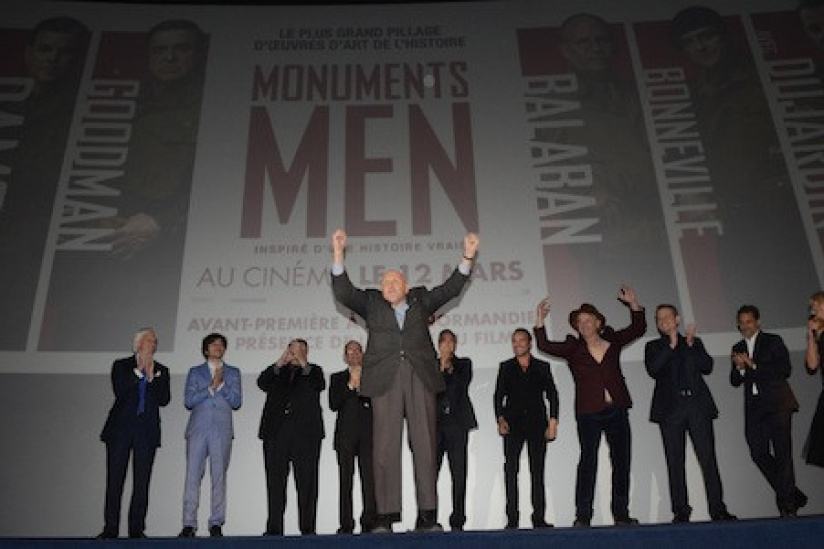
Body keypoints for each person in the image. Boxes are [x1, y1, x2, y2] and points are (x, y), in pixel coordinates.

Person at [41, 19, 208, 351]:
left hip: (158, 266)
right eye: (160, 50)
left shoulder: (214, 107)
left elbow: (220, 188)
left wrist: (163, 222)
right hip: (90, 261)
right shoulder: (114, 100)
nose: (170, 57)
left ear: (199, 54)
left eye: (181, 49)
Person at [669, 6, 817, 329]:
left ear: (723, 36)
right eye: (690, 42)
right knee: (749, 301)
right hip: (735, 213)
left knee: (800, 292)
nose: (700, 47)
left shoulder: (763, 77)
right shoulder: (691, 94)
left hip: (784, 206)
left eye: (706, 36)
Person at [330, 228, 479, 533]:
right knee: (384, 447)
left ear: (406, 287)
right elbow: (344, 293)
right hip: (384, 379)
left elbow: (450, 290)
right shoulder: (371, 302)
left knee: (425, 444)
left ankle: (427, 517)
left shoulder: (421, 299)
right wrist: (338, 254)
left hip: (419, 376)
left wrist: (467, 257)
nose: (389, 285)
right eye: (385, 282)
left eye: (395, 281)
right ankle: (384, 518)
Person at [0, 16, 89, 349]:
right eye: (45, 49)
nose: (52, 58)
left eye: (64, 53)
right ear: (28, 53)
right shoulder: (15, 103)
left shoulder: (77, 110)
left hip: (36, 236)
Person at [533, 286, 645, 527]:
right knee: (588, 462)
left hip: (617, 409)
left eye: (587, 320)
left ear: (598, 322)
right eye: (579, 322)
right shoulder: (573, 349)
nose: (583, 325)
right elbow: (544, 345)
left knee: (621, 461)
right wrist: (540, 319)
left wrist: (633, 304)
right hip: (588, 413)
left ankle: (621, 514)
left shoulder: (613, 341)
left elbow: (638, 328)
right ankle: (583, 516)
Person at [644, 305, 736, 523]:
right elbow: (654, 369)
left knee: (708, 459)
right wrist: (671, 345)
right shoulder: (654, 346)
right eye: (659, 319)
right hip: (670, 411)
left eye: (667, 317)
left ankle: (718, 509)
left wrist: (691, 344)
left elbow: (707, 366)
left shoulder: (694, 342)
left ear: (677, 319)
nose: (663, 321)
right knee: (675, 462)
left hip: (697, 408)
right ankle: (681, 511)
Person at [730, 305, 807, 517]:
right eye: (741, 322)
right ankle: (793, 495)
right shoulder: (737, 347)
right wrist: (739, 368)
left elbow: (784, 370)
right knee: (758, 453)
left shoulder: (773, 341)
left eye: (749, 321)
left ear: (758, 322)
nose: (745, 326)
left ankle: (787, 506)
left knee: (783, 454)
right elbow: (735, 381)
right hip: (754, 407)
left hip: (777, 404)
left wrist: (753, 365)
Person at [98, 328, 171, 539]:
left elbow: (164, 399)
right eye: (148, 339)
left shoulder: (162, 370)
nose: (152, 343)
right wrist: (138, 372)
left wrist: (152, 378)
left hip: (146, 432)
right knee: (115, 480)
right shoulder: (121, 365)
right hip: (120, 430)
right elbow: (120, 391)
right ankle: (110, 529)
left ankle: (136, 529)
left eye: (155, 340)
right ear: (137, 343)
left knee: (142, 482)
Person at [258, 338, 325, 535]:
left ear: (306, 353)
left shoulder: (314, 371)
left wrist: (303, 361)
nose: (296, 353)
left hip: (306, 435)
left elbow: (319, 385)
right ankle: (274, 529)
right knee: (275, 482)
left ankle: (308, 529)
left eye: (300, 349)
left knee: (307, 483)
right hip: (276, 433)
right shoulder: (277, 371)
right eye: (293, 349)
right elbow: (262, 382)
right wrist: (280, 362)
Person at [493, 328, 559, 530]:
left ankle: (539, 518)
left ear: (530, 343)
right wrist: (500, 419)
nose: (517, 344)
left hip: (537, 424)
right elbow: (498, 395)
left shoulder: (542, 366)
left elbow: (552, 395)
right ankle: (512, 519)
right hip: (512, 424)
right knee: (511, 470)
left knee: (537, 470)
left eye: (521, 340)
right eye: (514, 341)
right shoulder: (506, 367)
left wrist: (553, 422)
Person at [178, 333, 242, 538]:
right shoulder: (195, 372)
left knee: (219, 477)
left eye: (221, 344)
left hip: (222, 430)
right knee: (192, 476)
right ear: (206, 349)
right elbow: (189, 400)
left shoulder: (233, 372)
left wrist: (221, 385)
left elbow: (236, 401)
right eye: (214, 344)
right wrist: (210, 388)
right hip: (198, 429)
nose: (218, 347)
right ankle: (189, 523)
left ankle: (216, 522)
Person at [329, 340, 377, 534]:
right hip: (345, 437)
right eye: (350, 352)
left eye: (357, 351)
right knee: (345, 481)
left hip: (368, 435)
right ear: (345, 356)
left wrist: (361, 385)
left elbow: (378, 403)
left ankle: (369, 521)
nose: (354, 354)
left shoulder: (372, 376)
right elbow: (333, 404)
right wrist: (350, 385)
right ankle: (346, 524)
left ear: (363, 355)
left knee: (369, 481)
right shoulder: (337, 378)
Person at [436, 329, 478, 531]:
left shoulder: (464, 364)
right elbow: (429, 389)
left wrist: (448, 368)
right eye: (444, 341)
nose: (447, 345)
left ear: (455, 345)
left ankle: (458, 520)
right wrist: (440, 368)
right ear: (438, 345)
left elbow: (461, 386)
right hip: (434, 426)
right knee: (429, 475)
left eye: (451, 341)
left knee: (459, 474)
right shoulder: (429, 366)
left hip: (457, 425)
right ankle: (428, 519)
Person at [804, 292, 824, 468]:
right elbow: (812, 365)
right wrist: (811, 336)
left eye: (817, 305)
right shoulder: (819, 333)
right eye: (813, 307)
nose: (814, 310)